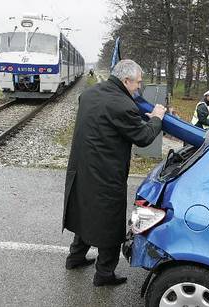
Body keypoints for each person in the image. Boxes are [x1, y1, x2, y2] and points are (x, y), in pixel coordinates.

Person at [62, 59, 166, 287]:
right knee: (109, 224)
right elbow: (143, 137)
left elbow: (110, 121)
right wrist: (157, 117)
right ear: (126, 80)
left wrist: (139, 120)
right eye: (138, 82)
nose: (139, 87)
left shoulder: (90, 94)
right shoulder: (123, 105)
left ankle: (75, 258)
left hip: (81, 169)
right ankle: (104, 274)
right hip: (105, 175)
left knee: (84, 212)